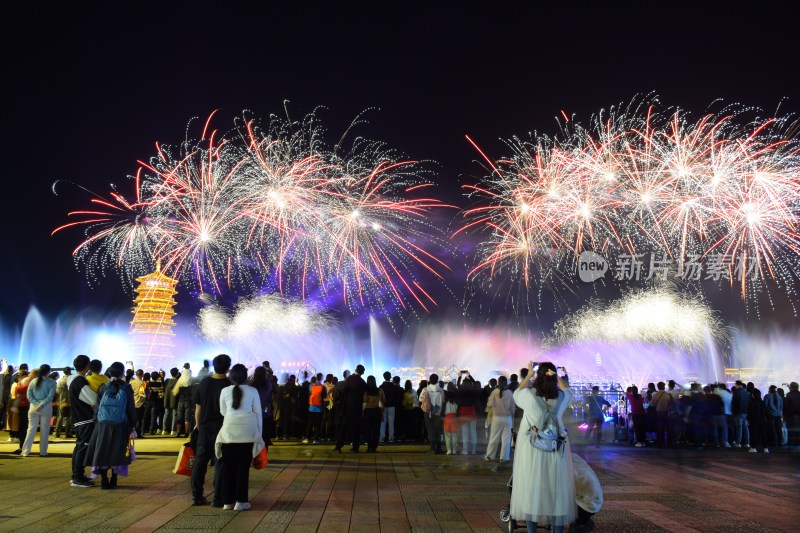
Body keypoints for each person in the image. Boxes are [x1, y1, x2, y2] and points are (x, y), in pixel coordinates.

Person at [511, 362, 576, 533]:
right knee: (557, 492)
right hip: (556, 449)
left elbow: (516, 393)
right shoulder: (562, 397)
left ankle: (532, 531)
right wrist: (559, 377)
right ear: (554, 376)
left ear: (537, 376)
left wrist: (528, 374)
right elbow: (569, 390)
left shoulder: (528, 395)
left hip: (532, 449)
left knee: (531, 489)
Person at [215, 363, 263, 511]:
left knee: (228, 468)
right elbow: (258, 413)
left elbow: (223, 412)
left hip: (229, 433)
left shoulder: (224, 391)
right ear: (245, 376)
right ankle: (241, 501)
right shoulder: (253, 390)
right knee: (243, 468)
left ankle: (227, 502)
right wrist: (259, 434)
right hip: (248, 433)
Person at [85, 362, 137, 489]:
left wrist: (96, 422)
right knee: (118, 451)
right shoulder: (126, 387)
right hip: (121, 424)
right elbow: (130, 408)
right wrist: (133, 424)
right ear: (122, 373)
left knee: (102, 450)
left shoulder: (103, 387)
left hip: (103, 425)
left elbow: (97, 408)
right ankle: (114, 479)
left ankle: (103, 480)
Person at [191, 354, 231, 507]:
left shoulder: (204, 383)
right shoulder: (229, 384)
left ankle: (196, 496)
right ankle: (218, 499)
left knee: (200, 462)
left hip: (205, 427)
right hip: (223, 427)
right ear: (228, 368)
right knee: (220, 462)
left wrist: (197, 425)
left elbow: (198, 407)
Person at [69, 355, 97, 487]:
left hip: (79, 419)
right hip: (84, 419)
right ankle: (77, 477)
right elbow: (93, 399)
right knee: (82, 447)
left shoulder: (74, 380)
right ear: (87, 366)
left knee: (79, 447)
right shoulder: (80, 381)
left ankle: (77, 475)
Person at [21, 364, 56, 457]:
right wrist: (41, 405)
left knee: (31, 429)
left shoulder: (33, 381)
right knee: (45, 430)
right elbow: (50, 396)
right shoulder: (52, 382)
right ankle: (43, 452)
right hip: (46, 408)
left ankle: (25, 451)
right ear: (49, 372)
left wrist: (36, 404)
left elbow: (29, 396)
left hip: (33, 408)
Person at [334, 364, 367, 453]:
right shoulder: (363, 382)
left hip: (348, 407)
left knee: (344, 428)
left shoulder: (349, 379)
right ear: (363, 372)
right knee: (356, 429)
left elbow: (344, 392)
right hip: (357, 408)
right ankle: (355, 448)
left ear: (355, 370)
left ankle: (338, 447)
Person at [485, 375, 515, 461]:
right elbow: (513, 407)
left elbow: (489, 404)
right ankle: (504, 457)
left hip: (496, 418)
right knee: (506, 439)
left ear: (498, 382)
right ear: (506, 382)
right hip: (507, 418)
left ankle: (490, 456)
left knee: (494, 437)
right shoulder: (509, 393)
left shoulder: (494, 392)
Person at [420, 374, 445, 454]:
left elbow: (421, 399)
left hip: (428, 412)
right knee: (438, 430)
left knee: (430, 430)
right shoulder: (441, 390)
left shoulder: (425, 389)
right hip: (438, 412)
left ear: (430, 380)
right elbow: (443, 401)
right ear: (437, 380)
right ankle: (439, 448)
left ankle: (433, 448)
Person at [251, 366, 273, 445]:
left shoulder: (251, 384)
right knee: (265, 436)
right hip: (265, 411)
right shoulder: (268, 384)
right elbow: (269, 397)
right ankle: (264, 455)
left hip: (253, 413)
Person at [362, 375, 385, 453]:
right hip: (377, 411)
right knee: (376, 430)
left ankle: (369, 446)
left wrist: (362, 411)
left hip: (367, 412)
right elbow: (383, 401)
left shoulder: (366, 391)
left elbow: (364, 402)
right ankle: (374, 447)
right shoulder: (380, 390)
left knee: (367, 430)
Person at [303, 376, 325, 444]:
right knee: (317, 424)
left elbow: (309, 394)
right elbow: (324, 395)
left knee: (310, 423)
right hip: (319, 408)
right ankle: (316, 439)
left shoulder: (311, 386)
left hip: (311, 407)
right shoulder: (322, 387)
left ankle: (307, 438)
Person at [379, 371, 398, 443]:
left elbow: (380, 398)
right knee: (391, 422)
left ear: (384, 377)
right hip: (392, 406)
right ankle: (391, 438)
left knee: (382, 422)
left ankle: (382, 437)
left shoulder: (381, 387)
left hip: (383, 406)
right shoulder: (394, 387)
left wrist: (381, 406)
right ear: (390, 377)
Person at [55, 367, 73, 438]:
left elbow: (57, 391)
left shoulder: (60, 380)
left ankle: (57, 432)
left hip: (62, 400)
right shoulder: (72, 379)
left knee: (60, 416)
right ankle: (68, 432)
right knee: (70, 417)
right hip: (71, 400)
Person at [443, 383, 460, 454]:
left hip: (447, 419)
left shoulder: (445, 403)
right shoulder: (456, 403)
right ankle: (454, 450)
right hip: (454, 419)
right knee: (454, 435)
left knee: (447, 436)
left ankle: (449, 450)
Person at [163, 368, 180, 436]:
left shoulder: (167, 381)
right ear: (177, 373)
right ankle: (173, 430)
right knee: (174, 414)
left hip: (167, 399)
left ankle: (164, 430)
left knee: (166, 414)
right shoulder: (178, 382)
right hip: (174, 400)